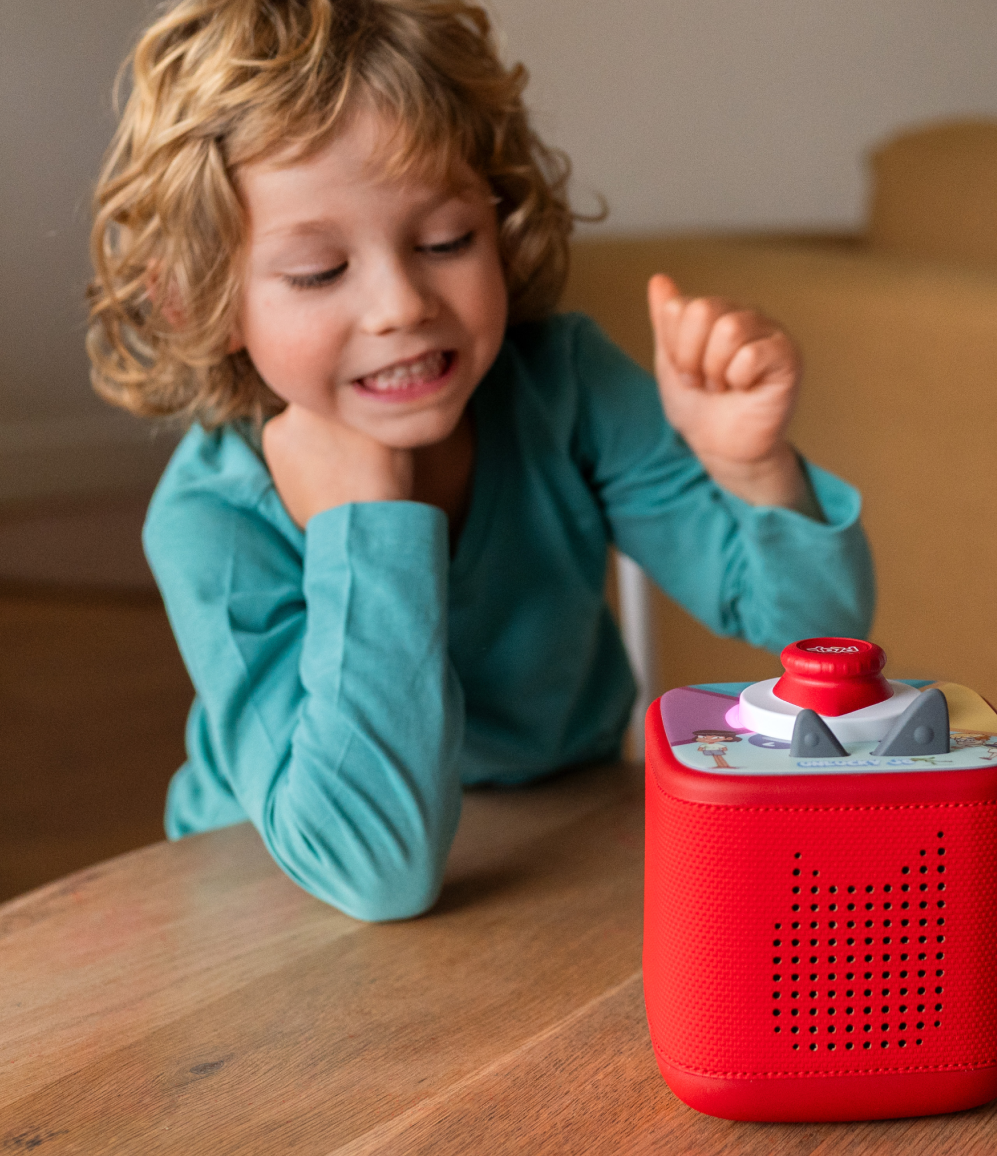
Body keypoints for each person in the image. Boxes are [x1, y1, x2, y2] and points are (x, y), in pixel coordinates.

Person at [86, 0, 875, 922]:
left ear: (499, 222)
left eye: (444, 242)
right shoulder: (212, 518)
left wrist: (751, 469)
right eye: (317, 271)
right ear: (197, 303)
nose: (400, 304)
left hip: (558, 852)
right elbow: (374, 872)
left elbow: (822, 630)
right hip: (278, 895)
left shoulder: (564, 383)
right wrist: (368, 530)